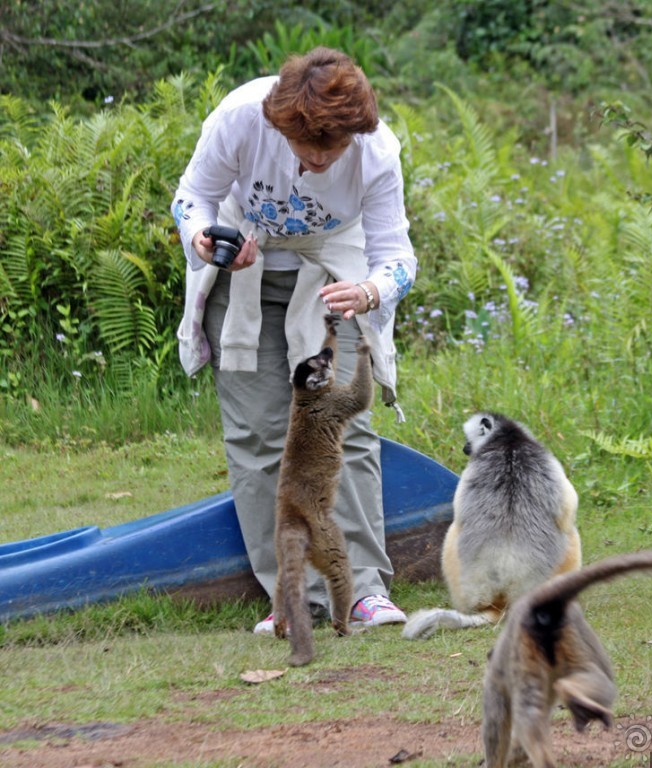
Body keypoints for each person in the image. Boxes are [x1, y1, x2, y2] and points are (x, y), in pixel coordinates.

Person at [171, 47, 416, 634]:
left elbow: (397, 256)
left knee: (340, 425)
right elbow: (190, 199)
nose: (315, 161)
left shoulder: (376, 152)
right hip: (244, 279)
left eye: (330, 152)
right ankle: (293, 596)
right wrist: (205, 238)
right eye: (306, 148)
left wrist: (370, 293)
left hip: (333, 280)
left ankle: (362, 591)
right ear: (281, 123)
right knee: (258, 435)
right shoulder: (238, 117)